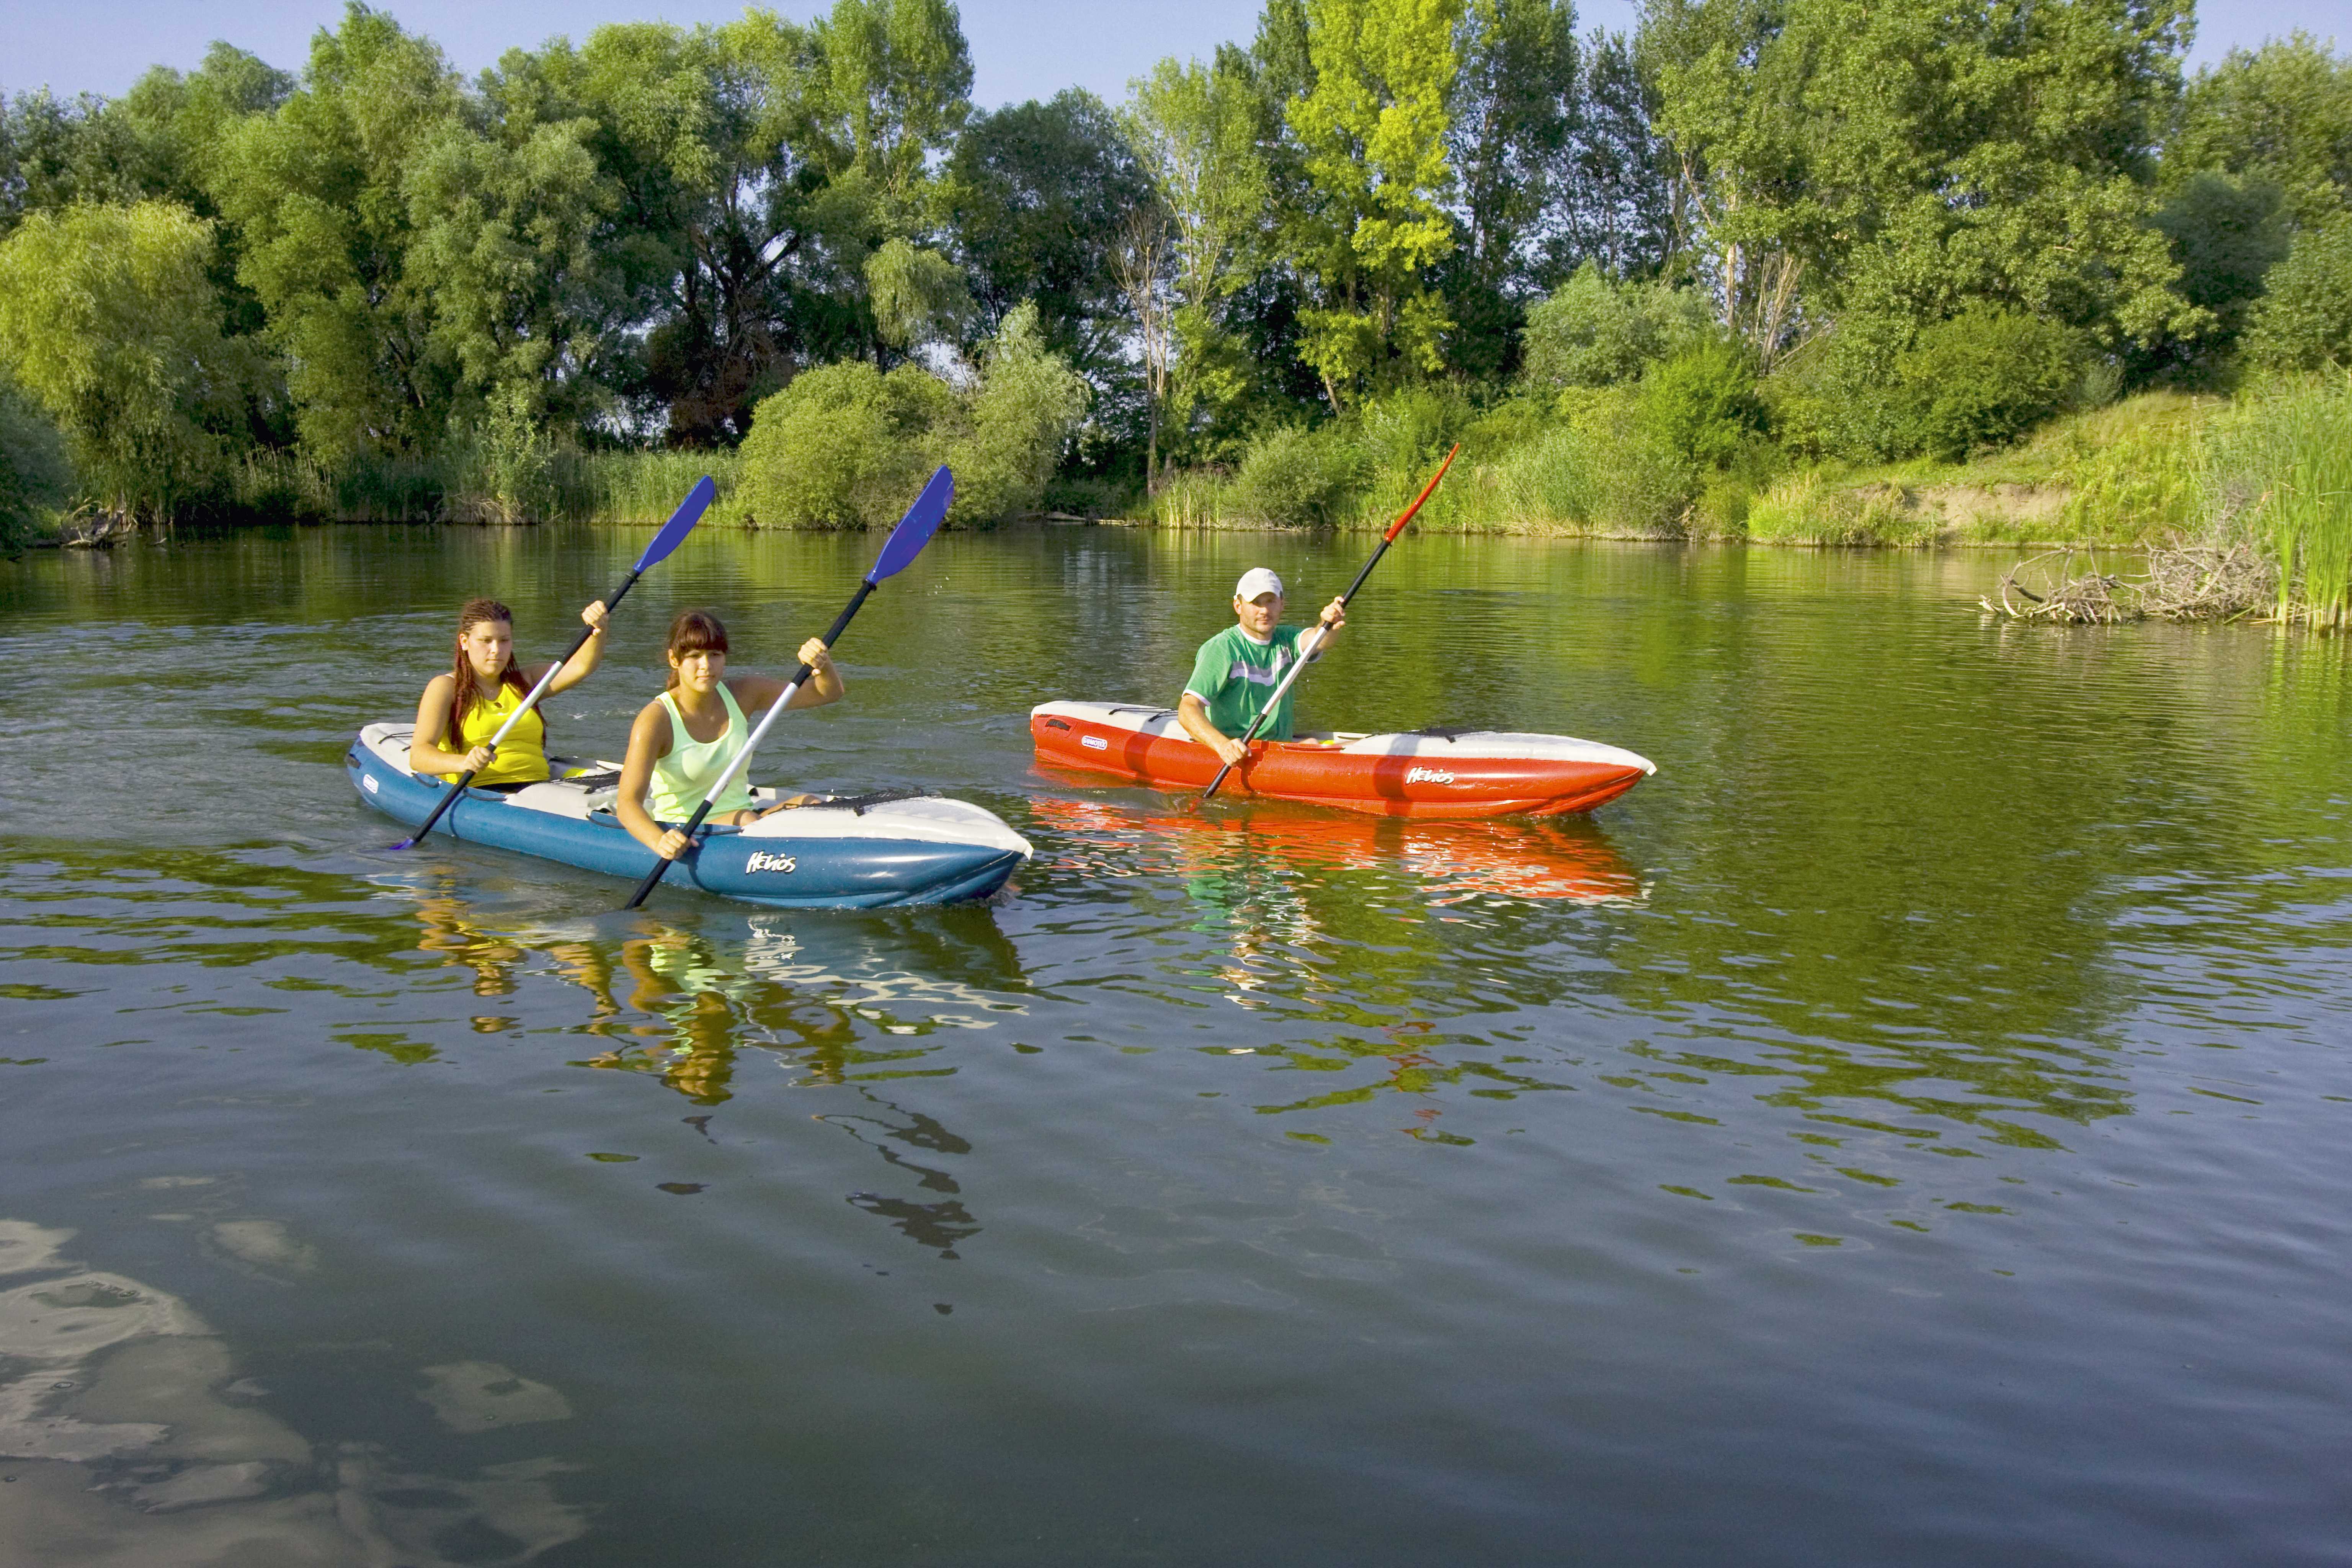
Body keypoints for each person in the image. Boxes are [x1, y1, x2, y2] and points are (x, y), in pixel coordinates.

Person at [616, 609, 844, 862]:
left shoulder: (744, 693)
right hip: (686, 832)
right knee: (747, 819)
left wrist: (822, 666)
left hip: (744, 820)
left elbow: (827, 694)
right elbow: (627, 804)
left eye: (715, 655)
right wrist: (660, 841)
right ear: (674, 660)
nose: (706, 666)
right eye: (694, 656)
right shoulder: (655, 719)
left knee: (810, 804)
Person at [410, 597, 610, 788]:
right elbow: (419, 756)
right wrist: (463, 763)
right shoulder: (445, 687)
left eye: (504, 640)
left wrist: (598, 629)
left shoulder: (526, 681)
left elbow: (581, 667)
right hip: (482, 790)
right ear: (464, 641)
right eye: (486, 641)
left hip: (538, 787)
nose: (496, 650)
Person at [1177, 567, 1347, 766]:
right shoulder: (1221, 649)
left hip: (1279, 749)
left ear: (1282, 604)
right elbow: (1188, 709)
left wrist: (1329, 623)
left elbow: (1319, 641)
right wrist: (1223, 746)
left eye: (1270, 602)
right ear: (1238, 606)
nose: (1264, 610)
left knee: (1312, 744)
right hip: (1239, 752)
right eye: (1256, 603)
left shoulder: (1286, 639)